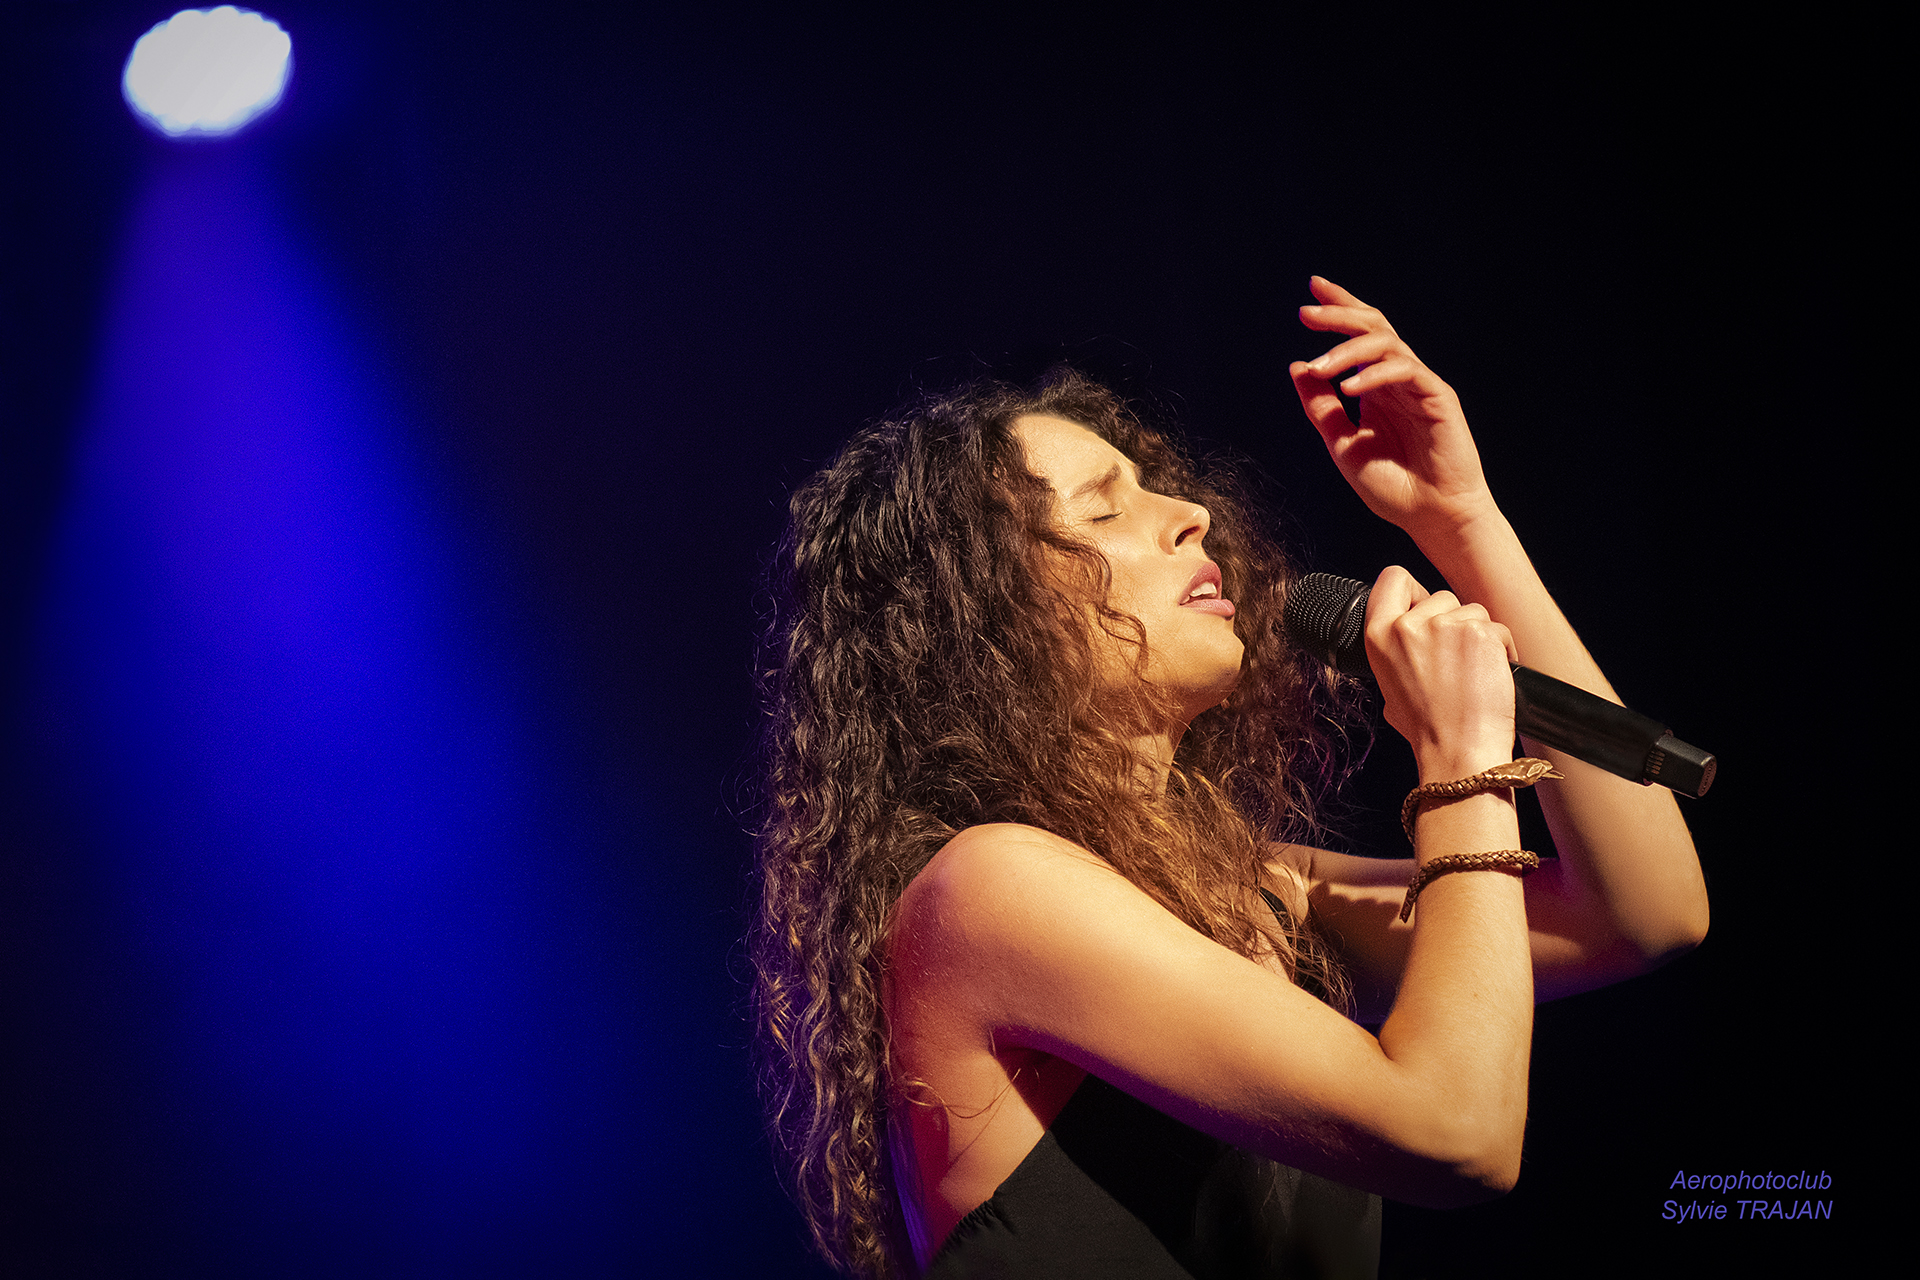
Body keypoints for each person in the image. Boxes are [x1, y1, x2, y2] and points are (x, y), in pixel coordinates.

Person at [749, 278, 1708, 1279]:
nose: (1192, 514)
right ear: (983, 616)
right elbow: (1456, 1130)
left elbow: (1644, 910)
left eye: (1155, 485)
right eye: (1104, 507)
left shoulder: (1262, 892)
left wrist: (1464, 524)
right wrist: (1463, 761)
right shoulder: (984, 890)